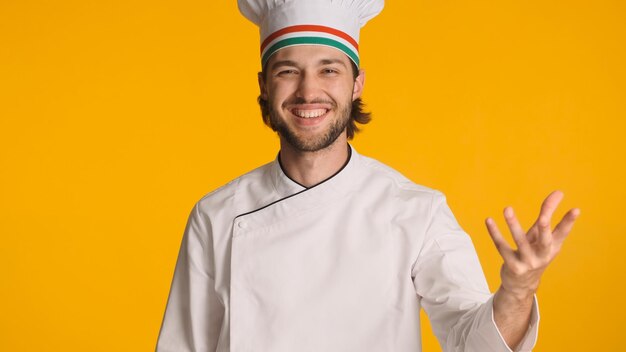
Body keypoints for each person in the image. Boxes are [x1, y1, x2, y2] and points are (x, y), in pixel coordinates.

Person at [156, 1, 580, 351]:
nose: (308, 91)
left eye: (329, 70)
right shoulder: (215, 216)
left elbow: (473, 342)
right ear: (264, 84)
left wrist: (519, 290)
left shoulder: (416, 212)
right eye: (288, 71)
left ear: (356, 83)